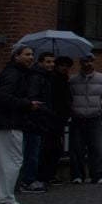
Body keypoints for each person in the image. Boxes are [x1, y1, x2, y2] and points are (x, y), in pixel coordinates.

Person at [0, 44, 42, 204]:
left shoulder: (7, 73)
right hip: (9, 123)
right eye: (27, 54)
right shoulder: (14, 75)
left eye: (32, 54)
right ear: (16, 56)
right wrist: (27, 104)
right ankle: (5, 200)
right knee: (12, 161)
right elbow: (3, 96)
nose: (31, 57)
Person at [68, 53, 102, 185]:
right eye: (85, 61)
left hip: (94, 117)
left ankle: (98, 175)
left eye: (91, 61)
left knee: (97, 148)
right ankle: (77, 175)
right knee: (77, 148)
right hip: (77, 118)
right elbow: (67, 96)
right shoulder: (73, 80)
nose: (88, 63)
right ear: (80, 63)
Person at [19, 51, 57, 193]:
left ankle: (31, 179)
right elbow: (34, 97)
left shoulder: (46, 77)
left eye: (53, 62)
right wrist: (46, 110)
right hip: (35, 121)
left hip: (41, 120)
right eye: (48, 62)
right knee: (32, 152)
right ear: (40, 63)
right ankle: (28, 181)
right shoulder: (37, 77)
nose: (51, 65)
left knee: (35, 151)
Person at [37, 55, 73, 187]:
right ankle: (44, 176)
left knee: (55, 148)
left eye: (67, 66)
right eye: (62, 65)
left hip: (59, 119)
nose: (64, 68)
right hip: (50, 118)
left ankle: (50, 175)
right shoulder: (51, 79)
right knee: (48, 148)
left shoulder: (64, 79)